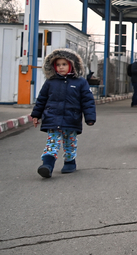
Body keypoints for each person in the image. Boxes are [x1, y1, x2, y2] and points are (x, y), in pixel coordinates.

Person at [31, 48, 96, 178]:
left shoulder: (80, 82)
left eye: (64, 64)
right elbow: (42, 98)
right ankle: (47, 166)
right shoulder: (50, 82)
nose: (61, 67)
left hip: (72, 118)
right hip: (52, 119)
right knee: (52, 143)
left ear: (72, 65)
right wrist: (36, 115)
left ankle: (70, 162)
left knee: (69, 142)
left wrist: (90, 117)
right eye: (58, 65)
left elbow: (87, 101)